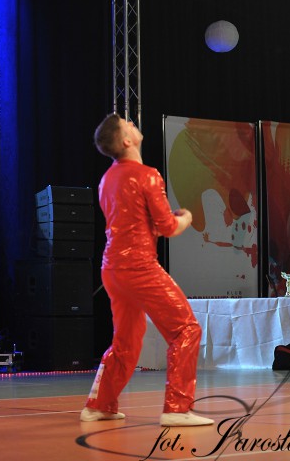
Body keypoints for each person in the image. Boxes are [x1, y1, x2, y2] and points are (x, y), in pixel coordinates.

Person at [80, 113, 214, 427]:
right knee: (186, 329)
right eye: (127, 124)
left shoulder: (107, 179)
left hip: (112, 269)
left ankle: (99, 405)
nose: (133, 124)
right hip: (139, 267)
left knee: (126, 341)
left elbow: (133, 221)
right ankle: (177, 409)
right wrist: (186, 219)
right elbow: (167, 226)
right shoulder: (147, 175)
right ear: (127, 141)